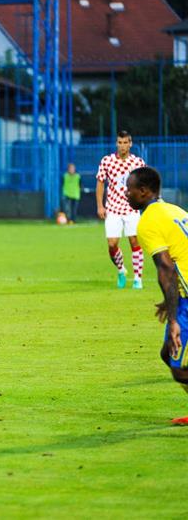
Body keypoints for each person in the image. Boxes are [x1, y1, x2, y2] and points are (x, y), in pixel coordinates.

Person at [125, 167, 188, 425]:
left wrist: (173, 319)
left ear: (143, 191)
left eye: (129, 188)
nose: (125, 193)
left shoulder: (149, 221)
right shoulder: (174, 210)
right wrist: (170, 300)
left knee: (177, 367)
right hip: (183, 294)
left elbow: (166, 269)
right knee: (167, 353)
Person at [96, 130, 147, 289]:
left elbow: (144, 185)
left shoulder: (138, 162)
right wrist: (100, 205)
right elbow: (100, 183)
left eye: (126, 142)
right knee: (112, 244)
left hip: (132, 208)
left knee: (134, 241)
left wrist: (144, 202)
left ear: (130, 144)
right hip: (113, 209)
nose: (123, 145)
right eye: (120, 142)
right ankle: (121, 269)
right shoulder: (107, 161)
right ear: (116, 143)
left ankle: (138, 278)